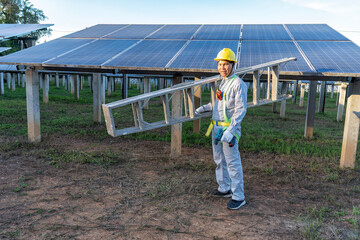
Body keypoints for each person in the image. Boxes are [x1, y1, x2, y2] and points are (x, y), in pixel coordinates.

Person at [195, 48, 248, 210]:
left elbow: (240, 110)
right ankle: (224, 188)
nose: (222, 67)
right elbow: (220, 104)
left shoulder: (238, 84)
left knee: (232, 162)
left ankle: (238, 196)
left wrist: (231, 131)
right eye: (220, 64)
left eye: (225, 64)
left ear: (233, 65)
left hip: (228, 130)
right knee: (219, 161)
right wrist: (205, 107)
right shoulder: (222, 82)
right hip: (216, 128)